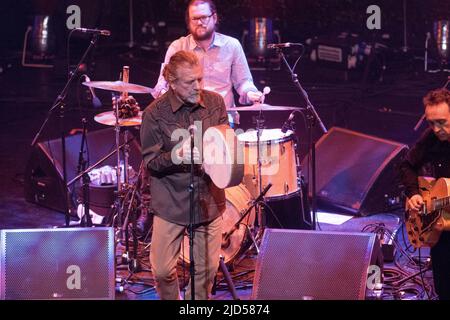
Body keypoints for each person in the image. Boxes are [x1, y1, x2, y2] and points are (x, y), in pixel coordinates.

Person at [140, 50, 229, 300]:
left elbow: (224, 146)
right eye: (190, 82)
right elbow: (150, 163)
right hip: (172, 200)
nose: (198, 86)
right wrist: (178, 156)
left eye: (200, 79)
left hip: (208, 199)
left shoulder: (216, 103)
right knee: (162, 270)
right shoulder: (154, 114)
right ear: (172, 82)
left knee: (207, 271)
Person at [151, 0, 263, 127]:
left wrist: (250, 93)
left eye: (204, 17)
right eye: (195, 18)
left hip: (223, 119)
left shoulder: (232, 45)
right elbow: (161, 85)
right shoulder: (177, 47)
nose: (199, 22)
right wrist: (166, 96)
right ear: (189, 21)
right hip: (186, 121)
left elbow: (243, 82)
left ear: (214, 18)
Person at [400, 88, 450, 300]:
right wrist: (413, 194)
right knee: (444, 285)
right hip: (441, 222)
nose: (436, 129)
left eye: (442, 122)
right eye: (431, 123)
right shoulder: (432, 137)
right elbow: (406, 166)